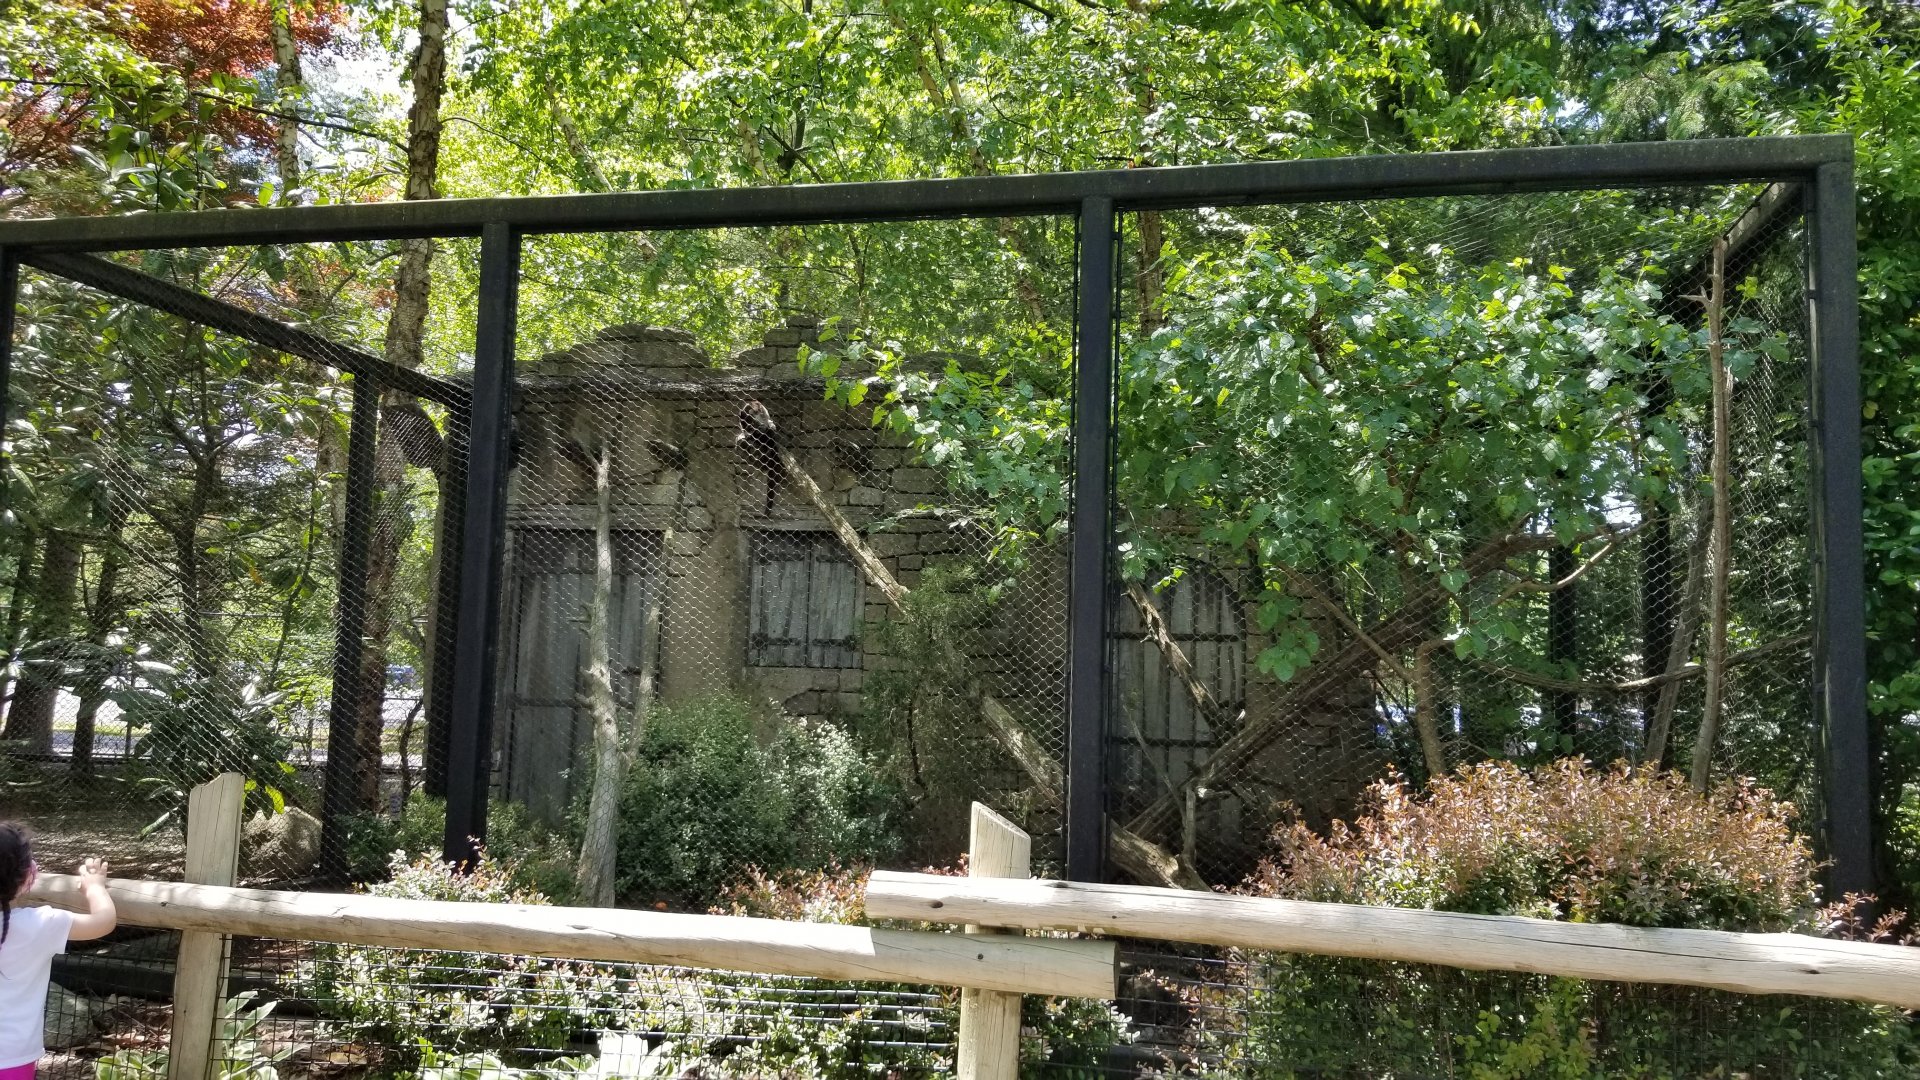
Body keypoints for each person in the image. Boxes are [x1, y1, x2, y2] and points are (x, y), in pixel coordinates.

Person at [0, 825, 117, 1080]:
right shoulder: (39, 924)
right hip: (12, 1057)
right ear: (24, 878)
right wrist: (95, 887)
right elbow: (104, 921)